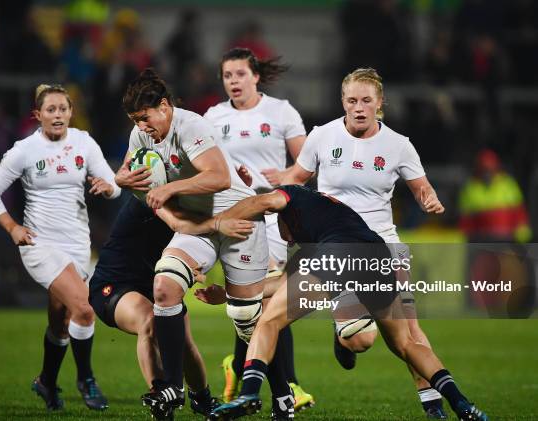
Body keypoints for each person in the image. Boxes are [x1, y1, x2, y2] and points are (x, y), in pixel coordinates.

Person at [207, 185, 488, 421]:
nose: (285, 237)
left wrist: (216, 224)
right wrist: (232, 293)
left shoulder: (291, 197)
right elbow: (282, 285)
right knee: (405, 343)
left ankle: (249, 394)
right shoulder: (324, 222)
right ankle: (461, 403)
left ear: (279, 215)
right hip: (378, 255)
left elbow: (261, 201)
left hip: (339, 253)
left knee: (269, 321)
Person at [281, 67, 449, 418]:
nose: (359, 107)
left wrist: (429, 199)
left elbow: (422, 187)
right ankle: (342, 334)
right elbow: (295, 181)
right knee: (360, 340)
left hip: (383, 245)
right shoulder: (322, 136)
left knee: (409, 329)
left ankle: (433, 405)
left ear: (380, 102)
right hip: (334, 246)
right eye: (352, 100)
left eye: (366, 100)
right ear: (342, 101)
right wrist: (267, 192)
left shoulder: (399, 145)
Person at [114, 69, 273, 419]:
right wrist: (119, 178)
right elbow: (128, 172)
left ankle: (280, 395)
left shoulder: (191, 126)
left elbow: (219, 177)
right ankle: (172, 386)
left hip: (239, 217)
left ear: (165, 106)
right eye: (135, 120)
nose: (141, 126)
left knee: (247, 317)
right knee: (165, 285)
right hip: (199, 223)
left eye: (144, 118)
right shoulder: (141, 136)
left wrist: (171, 188)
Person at [0, 84, 119, 411]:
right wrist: (12, 226)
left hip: (77, 244)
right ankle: (86, 379)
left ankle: (45, 381)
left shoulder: (84, 142)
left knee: (61, 323)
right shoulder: (24, 150)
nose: (58, 115)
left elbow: (113, 184)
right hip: (38, 243)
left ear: (71, 112)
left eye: (63, 109)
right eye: (51, 110)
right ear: (38, 115)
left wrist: (107, 187)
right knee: (84, 309)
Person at [204, 47, 313, 410]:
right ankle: (275, 380)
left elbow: (306, 162)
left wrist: (284, 176)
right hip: (233, 215)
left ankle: (253, 371)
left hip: (272, 216)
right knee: (254, 301)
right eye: (227, 75)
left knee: (265, 300)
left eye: (239, 74)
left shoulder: (280, 111)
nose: (233, 81)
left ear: (255, 76)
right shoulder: (213, 116)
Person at [88, 192, 250, 419]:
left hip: (156, 283)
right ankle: (162, 395)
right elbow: (179, 224)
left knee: (181, 341)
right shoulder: (151, 194)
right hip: (114, 284)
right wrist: (219, 223)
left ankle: (202, 399)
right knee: (150, 321)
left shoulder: (193, 201)